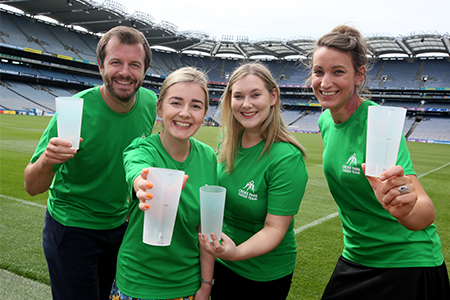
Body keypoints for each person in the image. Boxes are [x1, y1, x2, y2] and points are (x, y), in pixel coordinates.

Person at [309, 25, 450, 299]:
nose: (325, 83)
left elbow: (424, 210)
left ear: (359, 75)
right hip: (357, 255)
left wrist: (405, 205)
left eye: (338, 72)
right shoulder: (325, 120)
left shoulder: (379, 124)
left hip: (405, 263)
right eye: (318, 71)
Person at [23, 26, 157, 300]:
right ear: (100, 66)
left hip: (119, 227)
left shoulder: (149, 103)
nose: (125, 72)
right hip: (73, 229)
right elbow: (31, 185)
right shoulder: (76, 110)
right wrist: (48, 160)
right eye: (116, 62)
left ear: (144, 71)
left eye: (134, 64)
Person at [198, 62, 308, 299]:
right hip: (221, 262)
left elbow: (274, 229)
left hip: (262, 277)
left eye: (255, 95)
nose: (246, 104)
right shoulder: (227, 142)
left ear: (273, 97)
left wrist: (235, 252)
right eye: (238, 96)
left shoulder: (286, 158)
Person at [111, 67, 217, 300]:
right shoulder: (142, 148)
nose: (185, 113)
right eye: (176, 103)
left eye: (196, 106)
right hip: (137, 283)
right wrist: (143, 185)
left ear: (204, 113)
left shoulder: (208, 157)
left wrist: (206, 285)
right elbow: (137, 170)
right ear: (160, 108)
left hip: (186, 284)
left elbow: (205, 229)